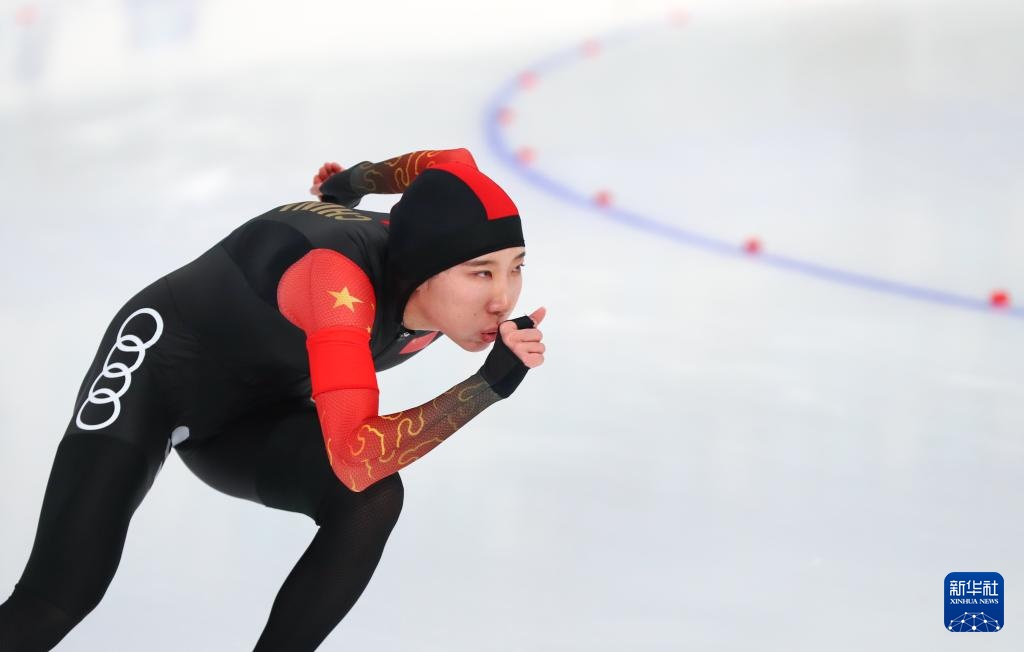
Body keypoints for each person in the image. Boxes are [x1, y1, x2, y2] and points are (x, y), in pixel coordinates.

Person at [0, 148, 546, 650]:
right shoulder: (337, 282)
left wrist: (350, 184)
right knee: (59, 597)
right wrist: (484, 387)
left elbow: (446, 162)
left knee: (370, 500)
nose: (502, 299)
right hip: (158, 372)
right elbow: (355, 455)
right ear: (422, 273)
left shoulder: (443, 267)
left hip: (257, 411)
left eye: (516, 266)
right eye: (481, 273)